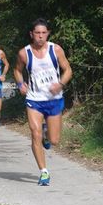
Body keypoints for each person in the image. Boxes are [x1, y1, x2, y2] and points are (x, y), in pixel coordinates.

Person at [14, 18, 72, 186]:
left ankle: (47, 134)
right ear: (31, 34)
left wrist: (60, 84)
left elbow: (68, 69)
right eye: (37, 33)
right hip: (34, 99)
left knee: (54, 141)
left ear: (48, 34)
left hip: (54, 99)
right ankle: (44, 172)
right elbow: (17, 71)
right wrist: (20, 84)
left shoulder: (56, 50)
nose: (40, 36)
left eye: (43, 33)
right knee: (35, 133)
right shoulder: (24, 53)